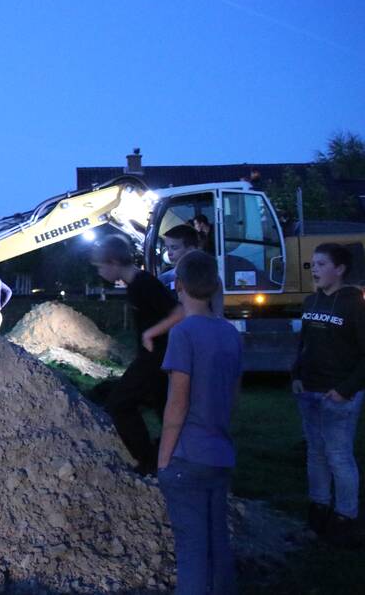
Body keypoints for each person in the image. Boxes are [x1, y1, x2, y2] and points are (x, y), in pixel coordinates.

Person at [157, 250, 242, 594]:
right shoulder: (230, 332)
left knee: (191, 549)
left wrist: (163, 459)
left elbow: (177, 403)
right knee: (217, 543)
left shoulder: (183, 333)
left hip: (187, 457)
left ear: (178, 285)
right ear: (216, 285)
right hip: (220, 453)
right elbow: (234, 396)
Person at [91, 234, 184, 475]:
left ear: (113, 262)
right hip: (153, 359)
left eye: (100, 267)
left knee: (119, 404)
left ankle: (149, 460)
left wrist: (150, 334)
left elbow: (179, 312)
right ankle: (172, 459)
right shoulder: (134, 286)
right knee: (164, 409)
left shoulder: (145, 283)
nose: (100, 273)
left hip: (156, 359)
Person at [291, 242, 365, 546]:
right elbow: (304, 344)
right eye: (313, 264)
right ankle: (318, 513)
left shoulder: (354, 305)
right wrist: (296, 374)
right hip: (310, 391)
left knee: (338, 456)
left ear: (340, 269)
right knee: (316, 454)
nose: (314, 270)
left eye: (321, 264)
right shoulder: (311, 303)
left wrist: (345, 390)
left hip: (339, 396)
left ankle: (345, 517)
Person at [159, 224, 224, 318]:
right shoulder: (163, 280)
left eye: (174, 248)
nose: (169, 253)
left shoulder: (212, 278)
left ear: (191, 249)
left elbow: (218, 312)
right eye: (167, 248)